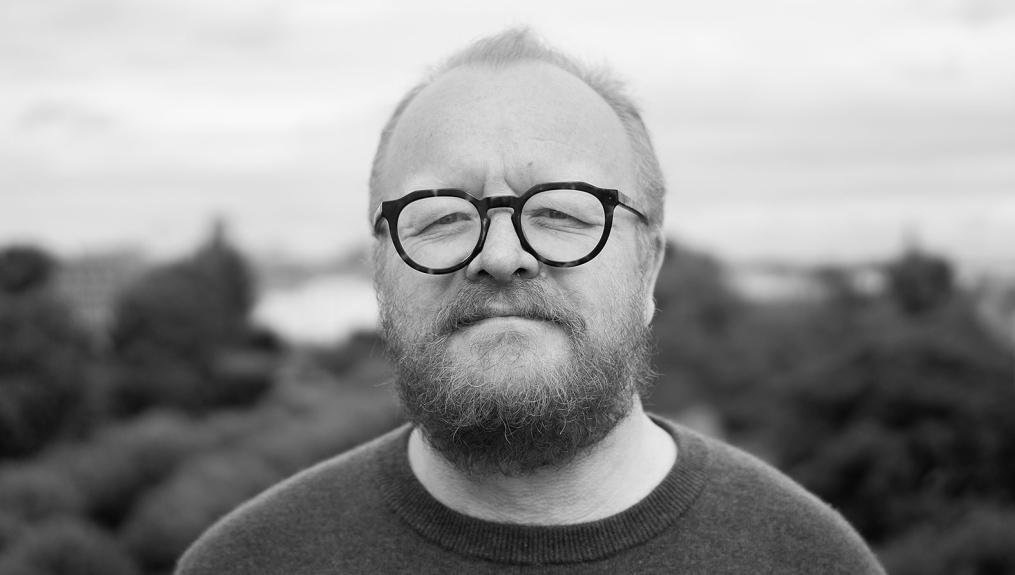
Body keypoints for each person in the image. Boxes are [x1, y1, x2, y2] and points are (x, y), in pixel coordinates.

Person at [176, 28, 886, 574]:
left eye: (561, 212)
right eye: (442, 217)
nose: (500, 254)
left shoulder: (811, 561)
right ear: (380, 267)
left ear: (649, 264)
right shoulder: (245, 563)